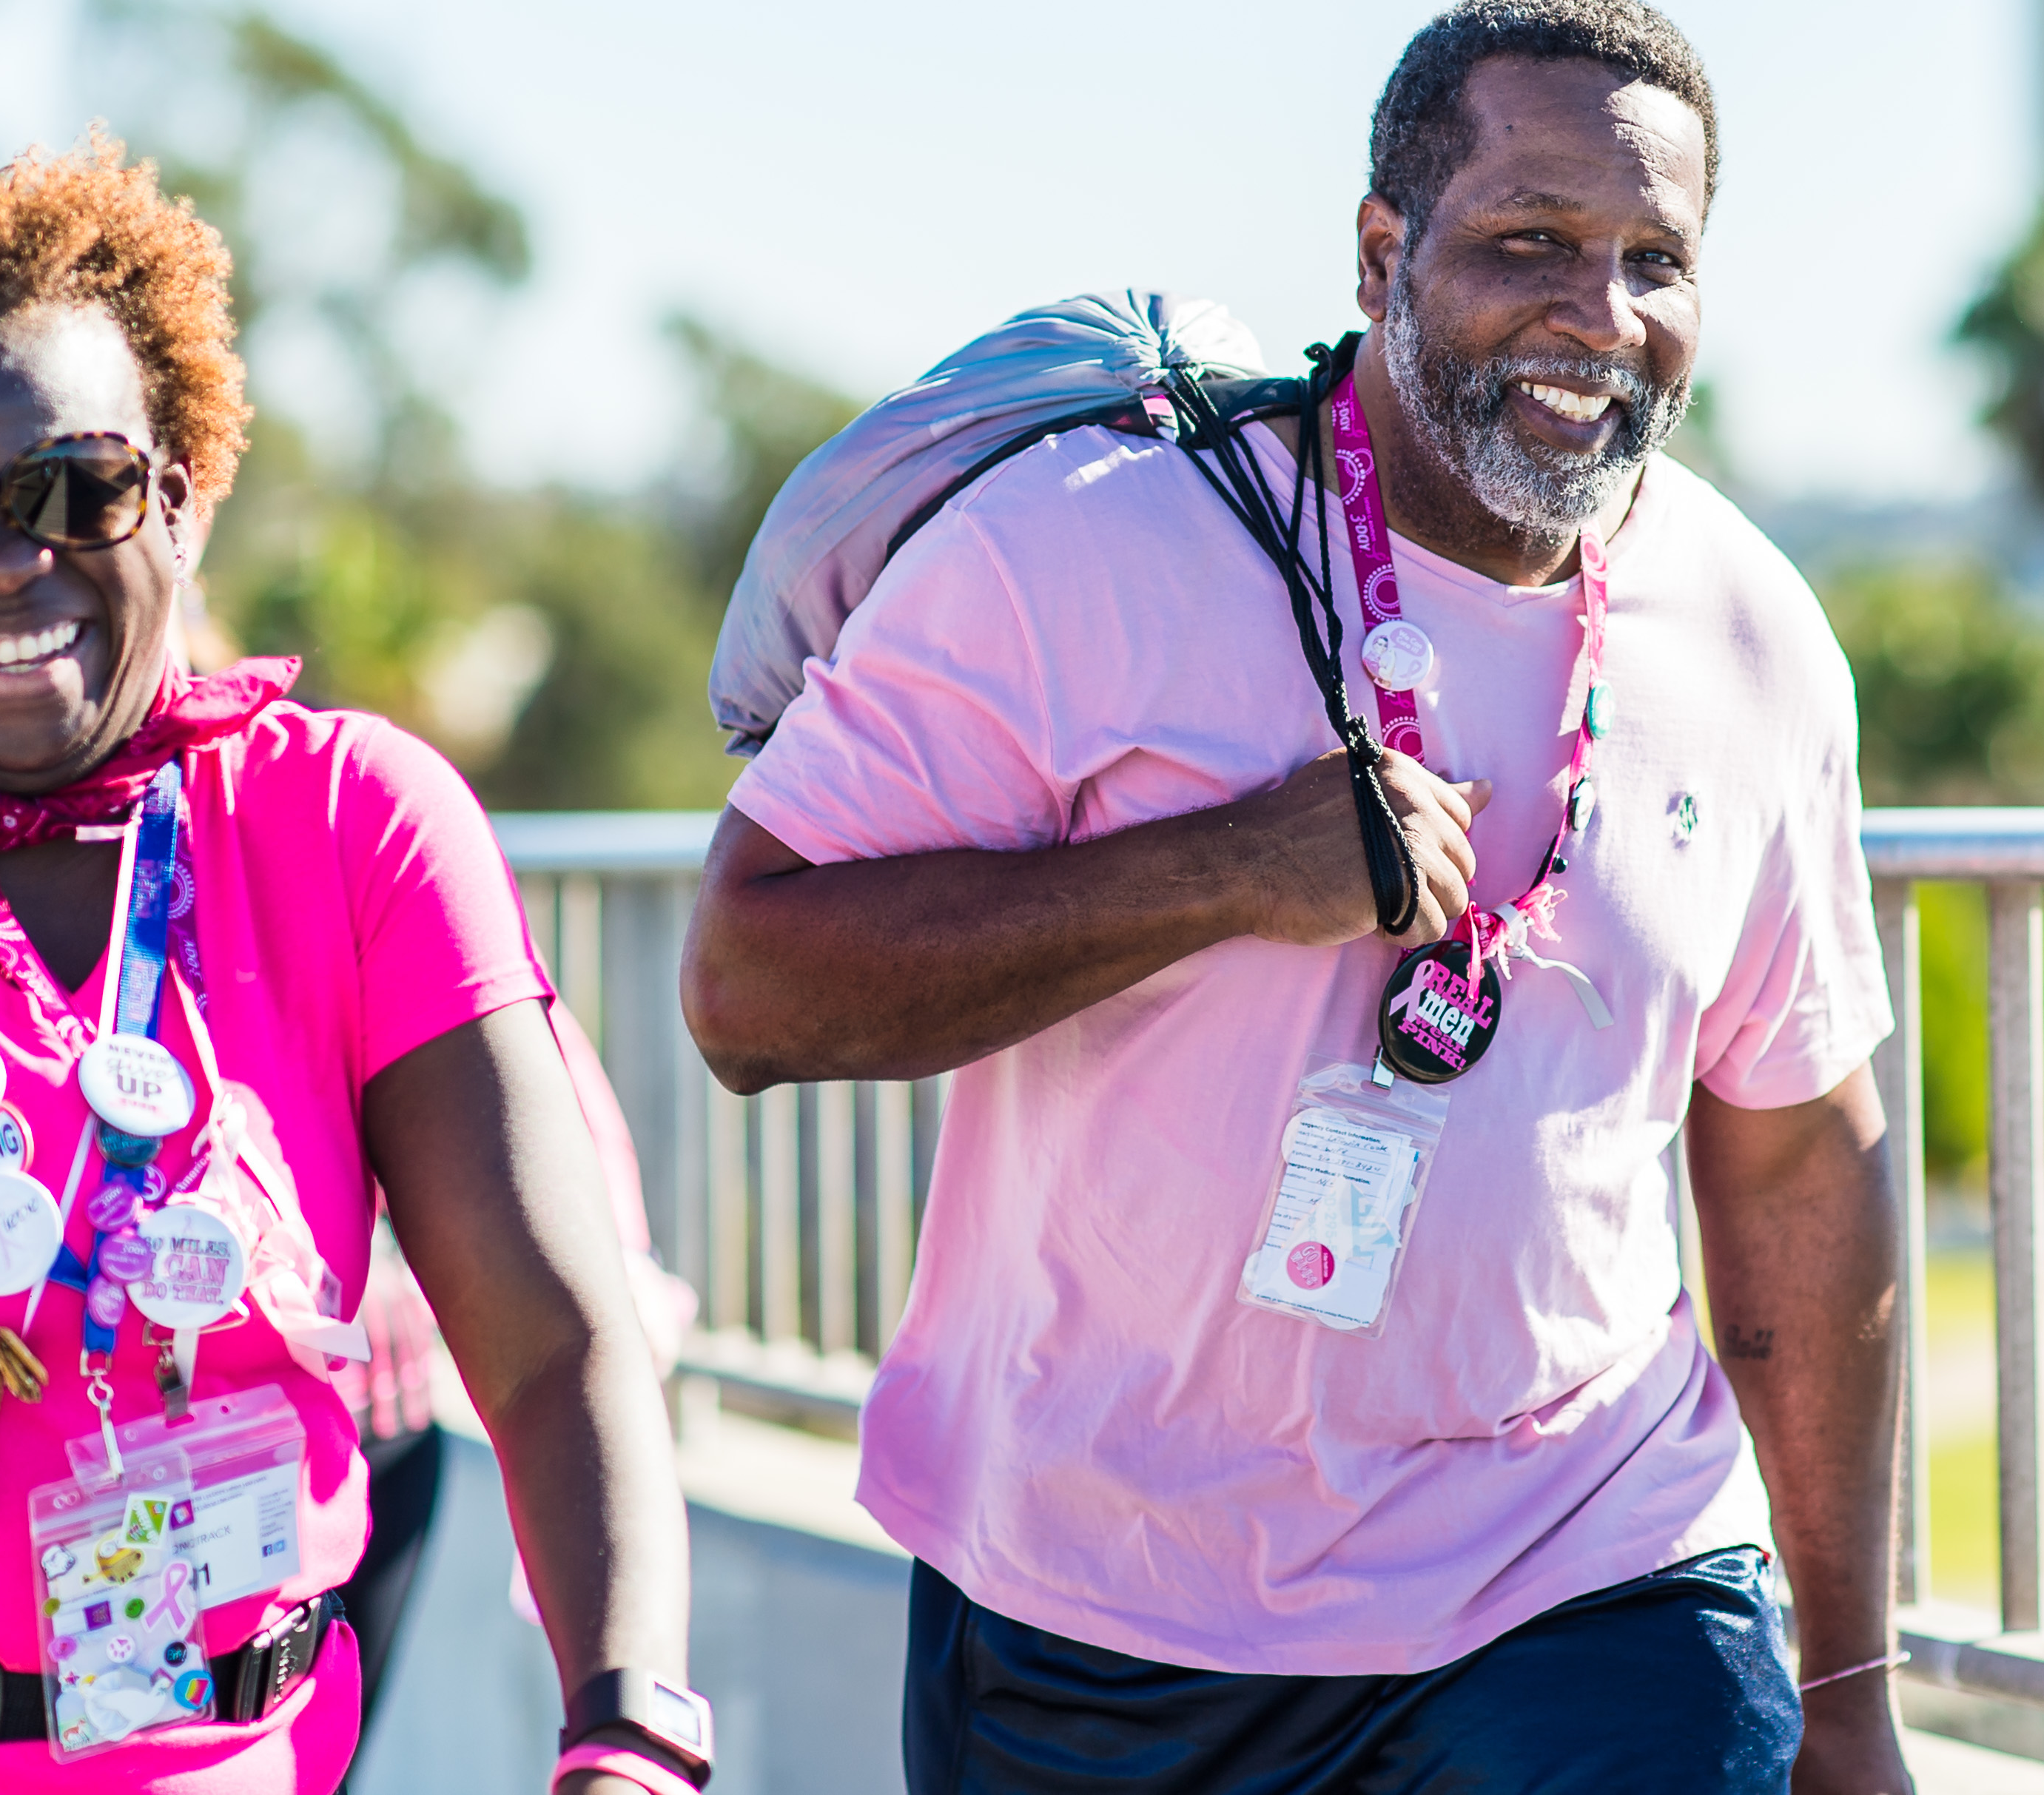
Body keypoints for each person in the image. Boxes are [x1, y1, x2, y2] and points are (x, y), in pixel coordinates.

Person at [684, 4, 1909, 1791]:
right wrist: (1219, 871)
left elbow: (1797, 1151)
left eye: (1654, 259)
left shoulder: (1751, 637)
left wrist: (1850, 1688)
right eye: (1528, 242)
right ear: (1378, 253)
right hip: (1096, 1609)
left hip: (1583, 1568)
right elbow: (746, 983)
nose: (1599, 313)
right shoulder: (1083, 546)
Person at [0, 137, 707, 1795]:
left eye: (73, 486)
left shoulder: (351, 825)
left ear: (177, 497)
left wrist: (630, 1733)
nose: (1, 560)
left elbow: (550, 1341)